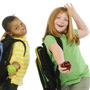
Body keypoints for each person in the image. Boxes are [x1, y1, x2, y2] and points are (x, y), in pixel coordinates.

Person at [43, 3, 90, 90]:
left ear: (69, 23)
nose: (61, 21)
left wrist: (74, 14)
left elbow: (85, 31)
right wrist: (62, 63)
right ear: (51, 19)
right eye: (58, 17)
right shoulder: (49, 38)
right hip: (62, 82)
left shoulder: (71, 34)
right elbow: (56, 49)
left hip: (81, 78)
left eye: (66, 19)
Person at [0, 16, 30, 90]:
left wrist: (5, 35)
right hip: (12, 78)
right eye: (17, 28)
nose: (22, 27)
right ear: (10, 33)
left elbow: (3, 41)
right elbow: (17, 58)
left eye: (21, 23)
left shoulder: (11, 39)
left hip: (7, 78)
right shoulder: (19, 44)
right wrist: (15, 66)